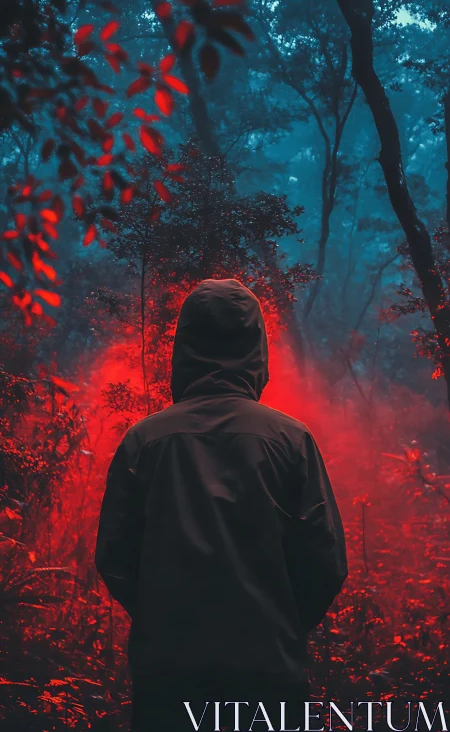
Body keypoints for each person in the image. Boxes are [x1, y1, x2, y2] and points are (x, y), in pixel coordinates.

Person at [95, 278, 348, 731]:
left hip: (168, 676)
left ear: (184, 345)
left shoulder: (145, 441)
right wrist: (279, 626)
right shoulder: (291, 440)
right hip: (268, 673)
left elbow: (115, 558)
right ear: (257, 348)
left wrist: (164, 615)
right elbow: (325, 563)